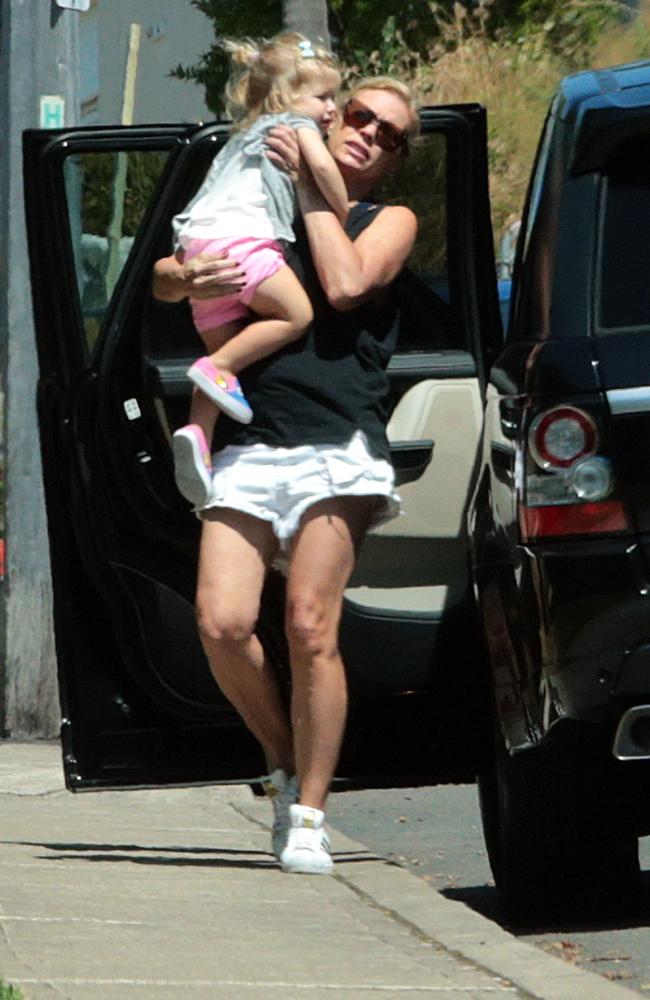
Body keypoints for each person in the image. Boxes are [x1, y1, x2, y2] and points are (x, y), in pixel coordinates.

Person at [153, 76, 419, 874]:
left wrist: (311, 181)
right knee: (222, 623)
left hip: (337, 441)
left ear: (396, 159)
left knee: (309, 623)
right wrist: (183, 279)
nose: (368, 132)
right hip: (251, 440)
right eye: (359, 115)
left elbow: (342, 285)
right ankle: (279, 755)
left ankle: (309, 813)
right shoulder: (257, 197)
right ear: (330, 113)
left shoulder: (385, 221)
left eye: (390, 133)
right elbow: (173, 270)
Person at [171, 32, 349, 506]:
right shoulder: (293, 124)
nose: (332, 108)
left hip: (199, 251)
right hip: (242, 242)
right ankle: (217, 367)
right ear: (286, 98)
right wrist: (341, 206)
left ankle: (198, 437)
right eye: (323, 97)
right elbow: (325, 170)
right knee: (295, 316)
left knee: (227, 363)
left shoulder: (236, 140)